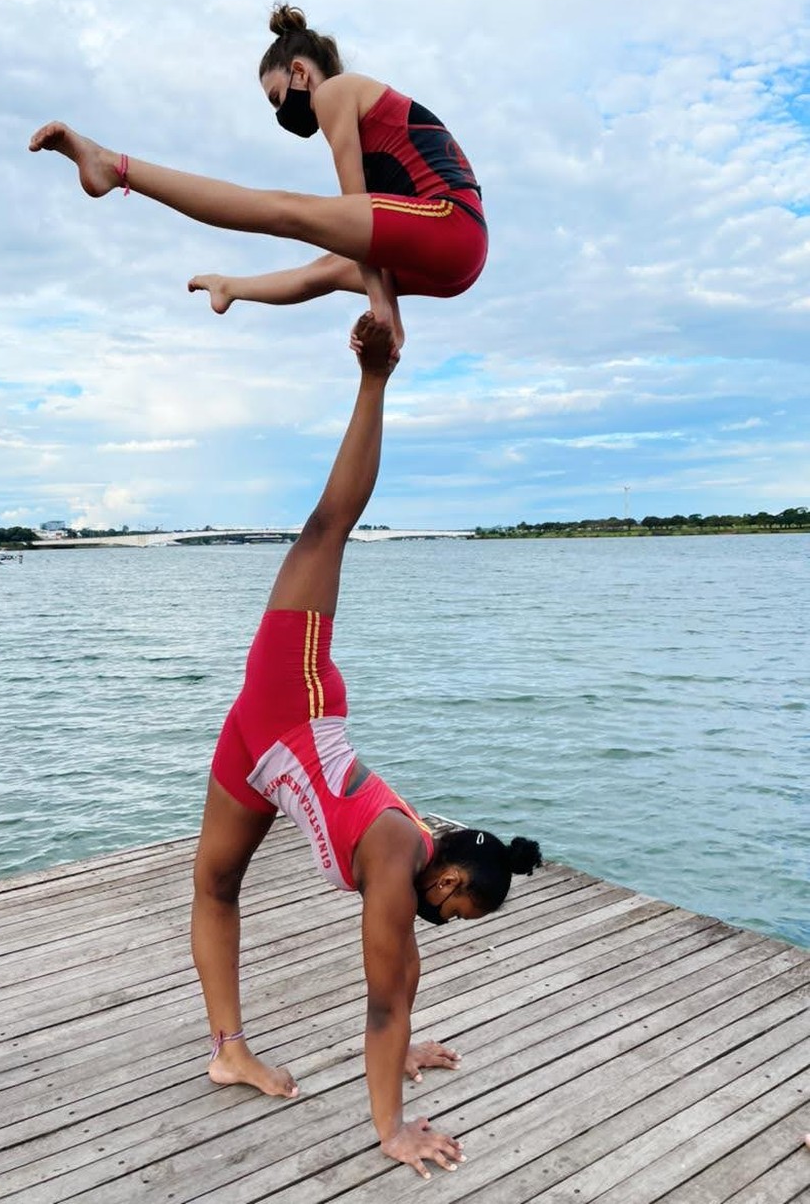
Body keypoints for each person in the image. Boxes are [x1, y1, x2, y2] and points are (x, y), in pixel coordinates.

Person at [191, 313, 541, 1180]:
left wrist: (410, 1040)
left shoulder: (419, 847)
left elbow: (404, 988)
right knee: (326, 530)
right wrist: (394, 1126)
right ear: (450, 874)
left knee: (216, 883)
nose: (445, 920)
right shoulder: (395, 859)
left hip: (258, 748)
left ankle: (227, 1049)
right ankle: (375, 379)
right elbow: (385, 1003)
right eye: (458, 909)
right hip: (291, 700)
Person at [29, 5, 487, 355]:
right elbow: (369, 230)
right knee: (325, 270)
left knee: (288, 210)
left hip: (450, 224)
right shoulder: (361, 108)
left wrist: (383, 310)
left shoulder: (334, 92)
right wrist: (387, 309)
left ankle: (114, 165)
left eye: (277, 97)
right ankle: (232, 287)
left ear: (302, 72)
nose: (279, 113)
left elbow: (355, 202)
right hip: (451, 254)